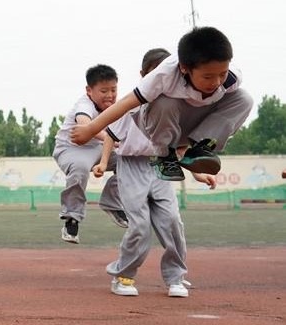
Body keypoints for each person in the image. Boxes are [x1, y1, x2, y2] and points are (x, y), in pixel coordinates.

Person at [93, 48, 217, 298]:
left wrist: (197, 173)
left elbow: (179, 149)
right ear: (144, 75)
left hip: (161, 165)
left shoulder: (176, 109)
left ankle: (175, 277)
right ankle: (124, 276)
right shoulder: (132, 105)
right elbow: (111, 135)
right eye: (154, 74)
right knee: (139, 225)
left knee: (172, 221)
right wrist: (103, 162)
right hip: (132, 166)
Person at [72, 27, 253, 181]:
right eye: (207, 77)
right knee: (165, 101)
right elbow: (126, 103)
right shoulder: (164, 75)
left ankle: (202, 146)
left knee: (244, 98)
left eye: (221, 73)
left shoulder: (231, 79)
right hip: (159, 126)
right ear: (184, 68)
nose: (216, 82)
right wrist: (91, 129)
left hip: (192, 126)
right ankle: (165, 156)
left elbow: (232, 106)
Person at [52, 64, 127, 244]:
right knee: (80, 168)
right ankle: (72, 218)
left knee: (130, 162)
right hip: (72, 148)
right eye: (103, 91)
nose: (109, 95)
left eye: (113, 90)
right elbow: (85, 125)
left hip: (100, 148)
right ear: (89, 90)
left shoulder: (117, 106)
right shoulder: (84, 104)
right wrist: (113, 139)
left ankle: (112, 202)